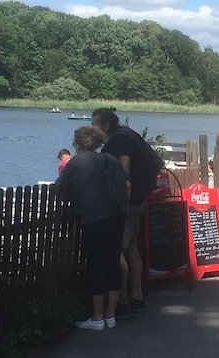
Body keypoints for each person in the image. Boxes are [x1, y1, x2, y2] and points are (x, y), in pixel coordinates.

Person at [54, 126, 129, 331]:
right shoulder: (109, 159)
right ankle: (110, 315)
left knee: (97, 266)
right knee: (112, 263)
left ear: (77, 143)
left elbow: (58, 188)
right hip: (116, 218)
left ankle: (97, 318)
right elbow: (126, 183)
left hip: (93, 219)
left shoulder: (75, 162)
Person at [91, 107, 152, 318]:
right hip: (137, 201)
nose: (92, 129)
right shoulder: (127, 134)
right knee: (132, 248)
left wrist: (116, 193)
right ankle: (138, 297)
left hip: (127, 204)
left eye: (94, 125)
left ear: (105, 125)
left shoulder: (119, 140)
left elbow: (124, 167)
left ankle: (123, 303)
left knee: (117, 251)